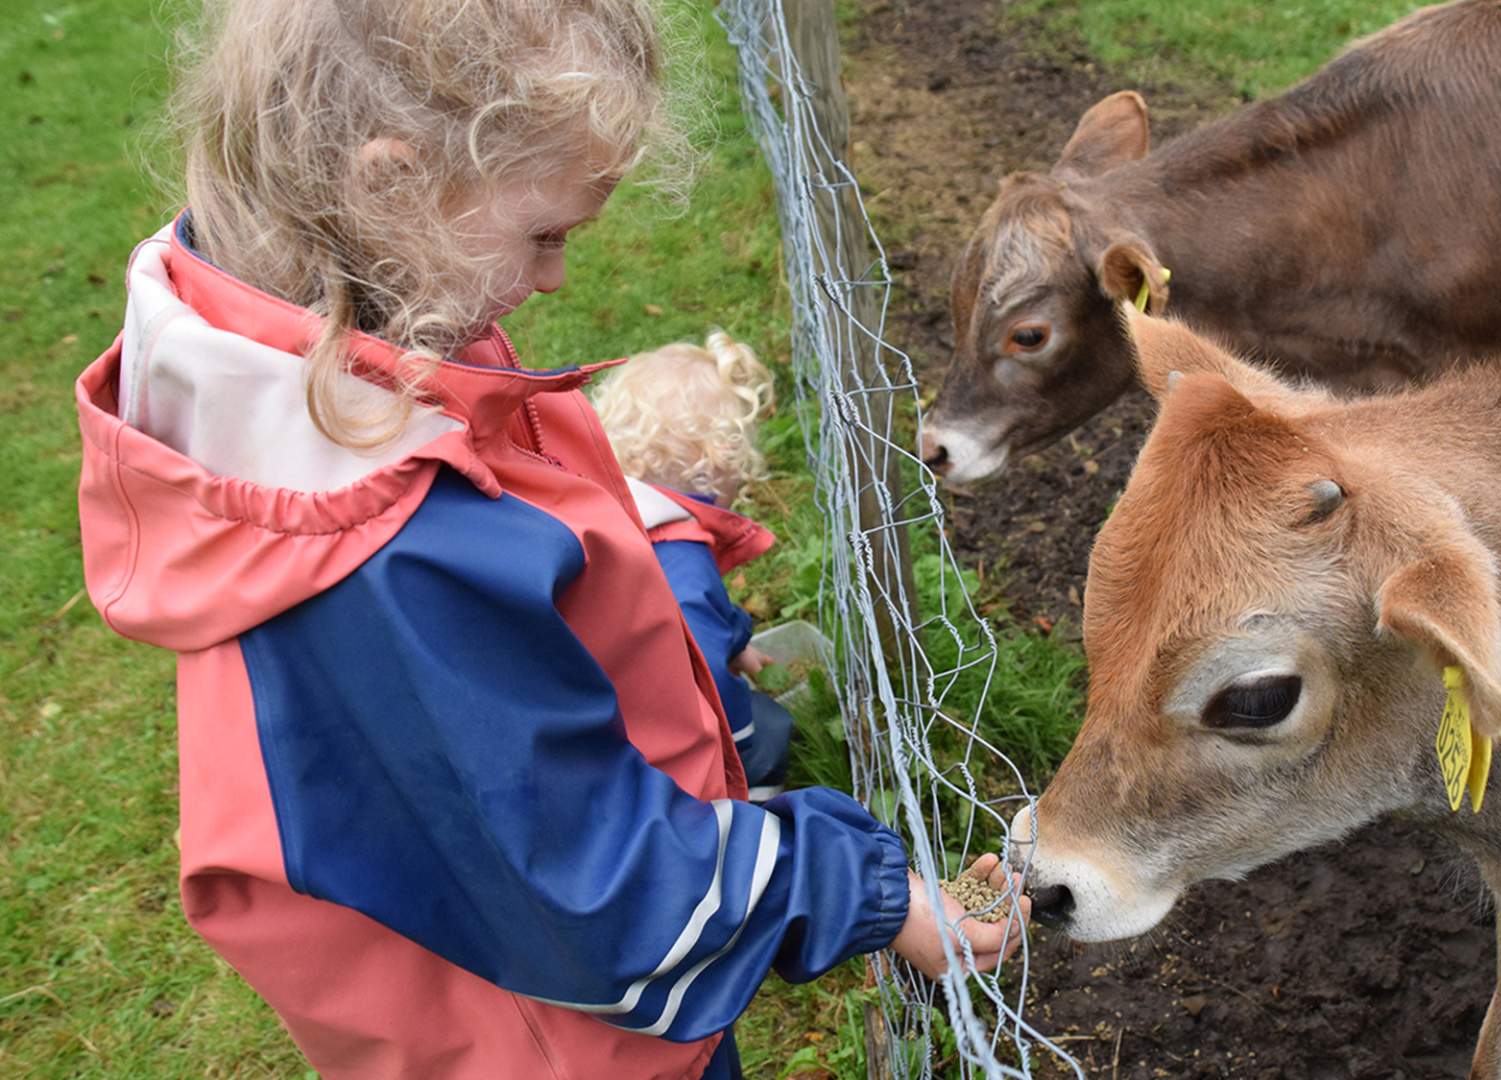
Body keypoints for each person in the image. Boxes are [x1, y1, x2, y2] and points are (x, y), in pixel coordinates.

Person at [71, 2, 1025, 1077]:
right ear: (389, 187)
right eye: (548, 235)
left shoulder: (337, 357)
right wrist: (869, 893)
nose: (559, 277)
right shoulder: (395, 548)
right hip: (566, 1043)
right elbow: (596, 890)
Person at [591, 330, 795, 802]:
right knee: (771, 729)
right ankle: (749, 815)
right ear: (713, 460)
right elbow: (702, 657)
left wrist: (737, 640)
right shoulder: (681, 562)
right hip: (663, 740)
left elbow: (695, 619)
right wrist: (738, 744)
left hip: (612, 698)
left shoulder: (621, 512)